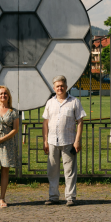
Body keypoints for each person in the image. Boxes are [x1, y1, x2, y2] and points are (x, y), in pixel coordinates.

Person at [42, 75, 86, 206]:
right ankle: (53, 196)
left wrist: (77, 140)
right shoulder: (50, 102)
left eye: (62, 86)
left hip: (68, 141)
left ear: (66, 87)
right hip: (52, 141)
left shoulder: (74, 102)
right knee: (52, 170)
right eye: (57, 86)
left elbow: (80, 122)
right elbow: (45, 123)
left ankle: (70, 197)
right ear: (54, 88)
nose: (59, 88)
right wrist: (45, 140)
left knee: (70, 171)